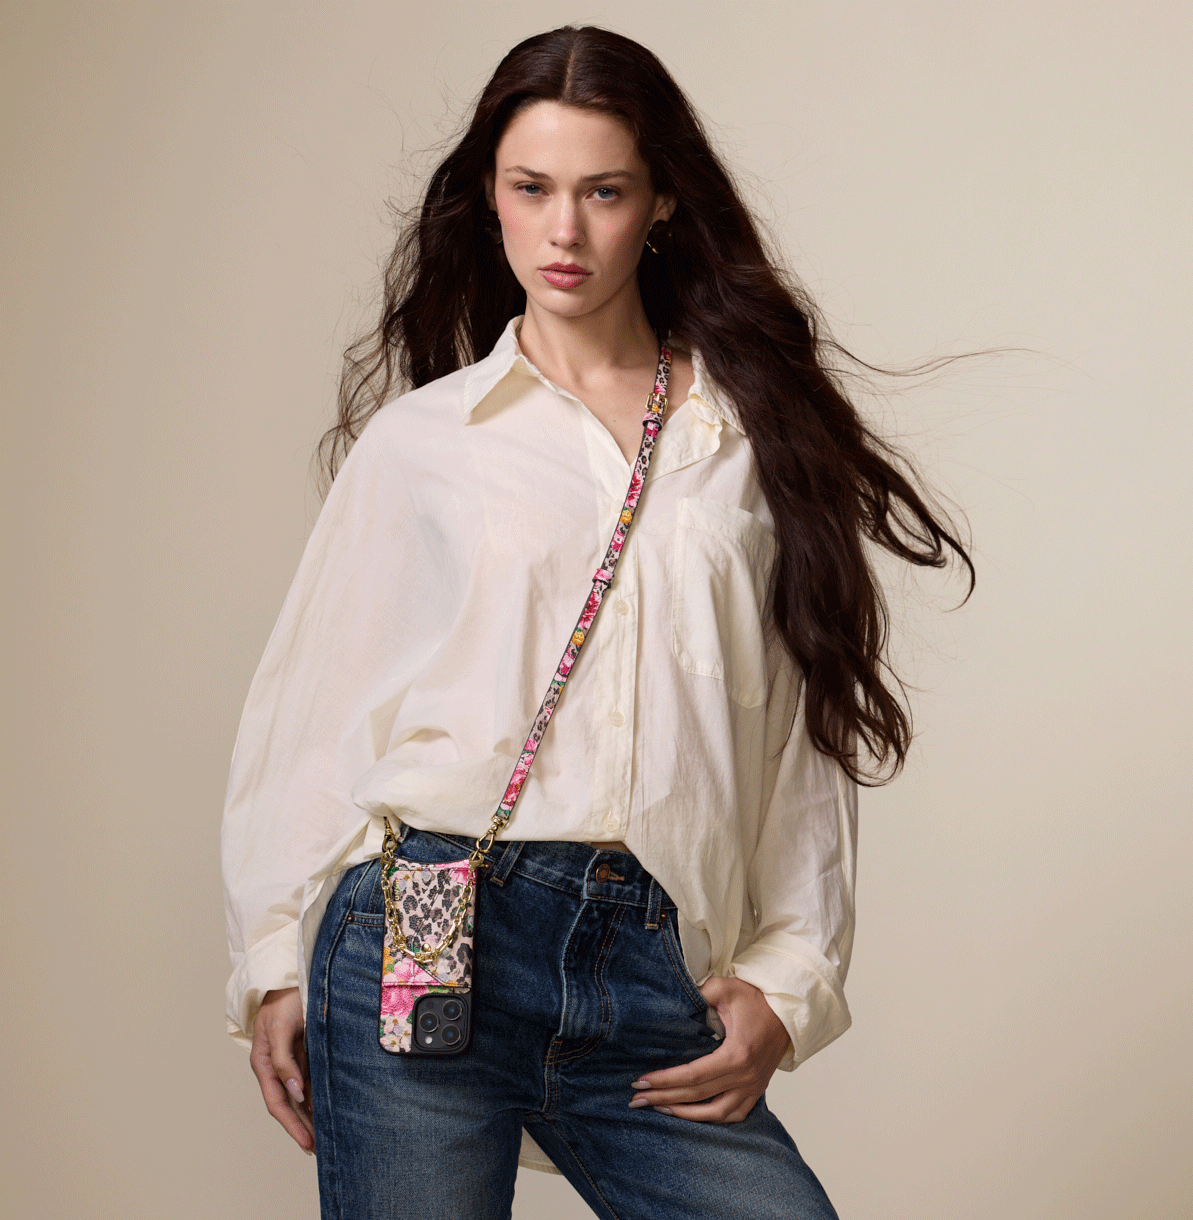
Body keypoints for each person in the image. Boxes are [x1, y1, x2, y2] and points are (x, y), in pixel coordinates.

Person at [221, 24, 972, 1220]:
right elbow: (316, 709)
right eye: (532, 189)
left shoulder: (749, 443)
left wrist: (789, 978)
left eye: (603, 191)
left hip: (645, 957)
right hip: (427, 923)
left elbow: (801, 729)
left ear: (662, 200)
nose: (563, 231)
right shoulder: (424, 443)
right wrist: (270, 959)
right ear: (490, 197)